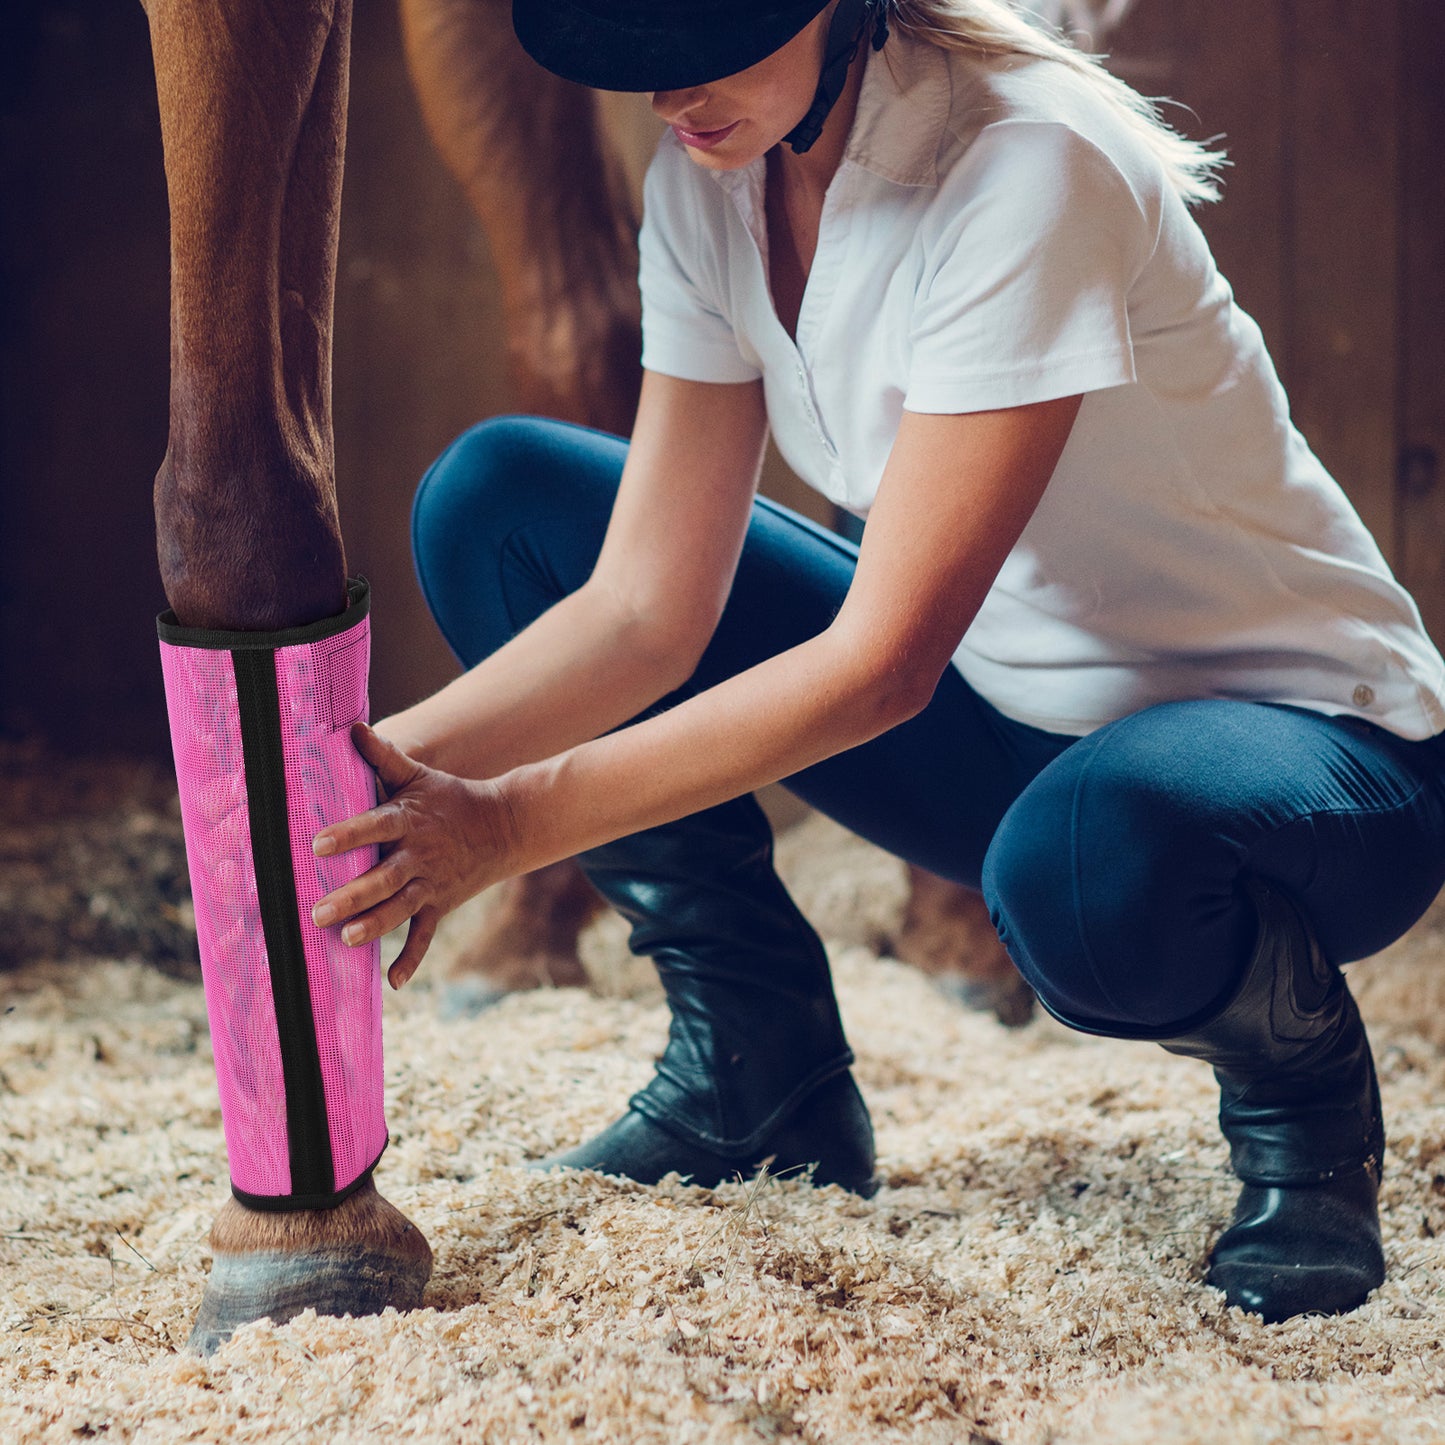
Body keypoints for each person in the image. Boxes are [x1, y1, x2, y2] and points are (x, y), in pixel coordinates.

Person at [308, 0, 1445, 1324]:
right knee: (501, 503)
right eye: (641, 64)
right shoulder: (709, 178)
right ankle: (755, 1070)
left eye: (705, 43)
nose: (670, 96)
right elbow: (642, 610)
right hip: (1010, 731)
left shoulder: (1030, 164)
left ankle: (1305, 1114)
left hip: (1310, 762)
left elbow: (882, 665)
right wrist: (361, 776)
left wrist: (505, 825)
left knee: (1080, 861)